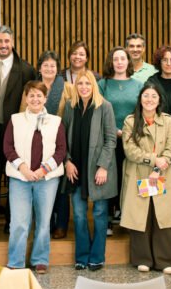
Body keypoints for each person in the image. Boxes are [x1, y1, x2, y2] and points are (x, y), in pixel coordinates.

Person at [4, 81, 66, 273]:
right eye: (31, 95)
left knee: (43, 221)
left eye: (39, 95)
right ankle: (15, 261)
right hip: (20, 177)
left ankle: (40, 259)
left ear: (45, 98)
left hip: (46, 179)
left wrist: (43, 170)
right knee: (19, 221)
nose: (35, 99)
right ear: (26, 98)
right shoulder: (15, 119)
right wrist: (23, 168)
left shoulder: (55, 121)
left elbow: (61, 150)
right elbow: (7, 147)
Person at [0, 26, 36, 230]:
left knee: (15, 174)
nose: (3, 45)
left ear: (13, 42)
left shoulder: (27, 69)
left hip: (15, 130)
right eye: (0, 41)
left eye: (6, 41)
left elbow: (32, 100)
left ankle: (13, 220)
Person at [120, 83, 171, 275]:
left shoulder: (168, 121)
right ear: (140, 99)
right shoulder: (131, 121)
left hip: (163, 173)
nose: (149, 100)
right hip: (140, 172)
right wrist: (155, 160)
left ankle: (166, 260)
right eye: (146, 96)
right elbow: (130, 150)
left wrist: (162, 163)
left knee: (163, 215)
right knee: (141, 217)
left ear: (159, 100)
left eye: (154, 96)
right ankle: (142, 258)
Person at [62, 71, 117, 271]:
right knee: (78, 214)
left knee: (101, 213)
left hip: (98, 170)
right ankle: (82, 256)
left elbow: (111, 140)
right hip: (75, 170)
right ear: (75, 86)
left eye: (88, 83)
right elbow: (62, 138)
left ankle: (97, 256)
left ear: (94, 85)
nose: (84, 87)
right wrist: (67, 161)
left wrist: (103, 166)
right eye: (80, 83)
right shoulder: (70, 107)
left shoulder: (105, 107)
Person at [98, 46, 144, 234]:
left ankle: (127, 215)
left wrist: (129, 132)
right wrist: (114, 131)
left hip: (133, 139)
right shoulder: (103, 85)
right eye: (115, 59)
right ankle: (108, 217)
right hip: (109, 139)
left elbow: (142, 110)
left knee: (130, 177)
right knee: (110, 178)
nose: (119, 62)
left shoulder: (138, 85)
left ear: (128, 62)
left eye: (122, 59)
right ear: (111, 62)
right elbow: (98, 110)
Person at [35, 51, 69, 239]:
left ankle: (61, 224)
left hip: (61, 142)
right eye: (45, 65)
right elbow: (23, 112)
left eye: (53, 66)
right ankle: (44, 225)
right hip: (38, 143)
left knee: (61, 185)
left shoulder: (67, 88)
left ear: (58, 69)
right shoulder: (32, 88)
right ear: (39, 68)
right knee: (41, 184)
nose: (49, 68)